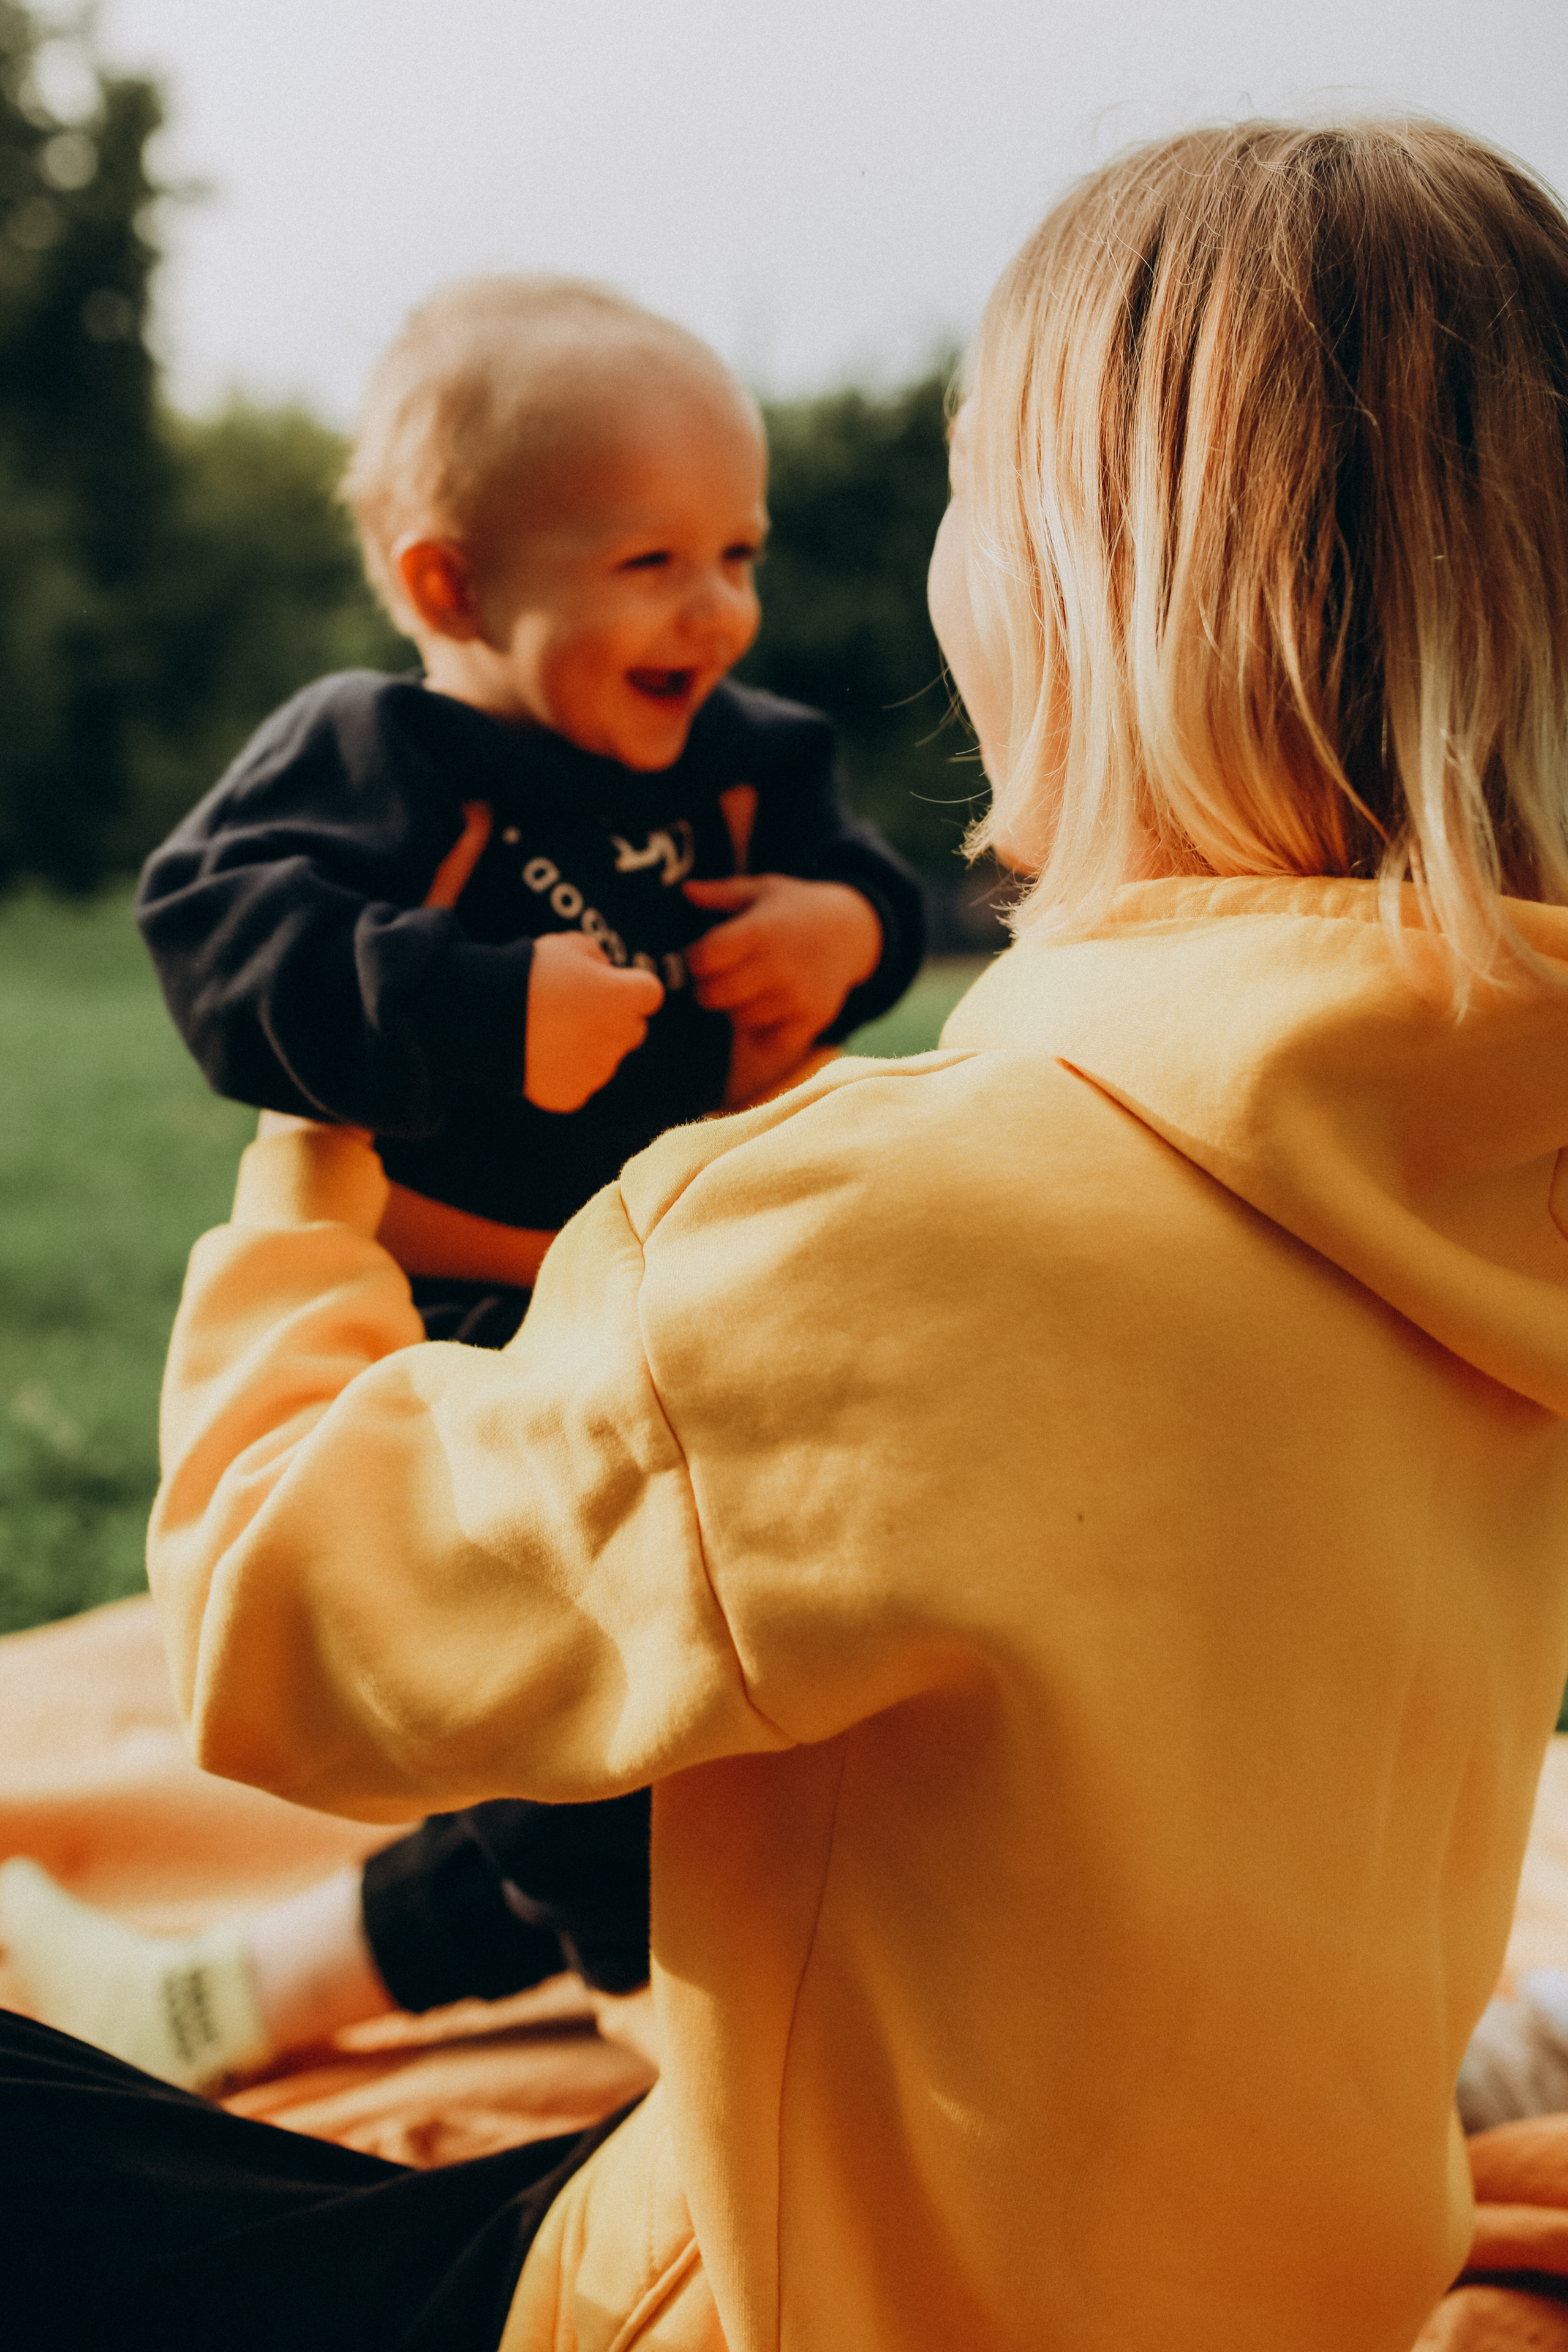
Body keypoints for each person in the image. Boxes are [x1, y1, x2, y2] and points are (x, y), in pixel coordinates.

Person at [7, 115, 1568, 2352]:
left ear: (1058, 586)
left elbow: (269, 1618)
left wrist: (320, 1140)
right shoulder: (1506, 1182)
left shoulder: (882, 1235)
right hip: (1315, 2253)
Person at [0, 275, 924, 2094]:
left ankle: (276, 1985)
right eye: (651, 561)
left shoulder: (754, 758)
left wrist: (842, 932)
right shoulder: (385, 760)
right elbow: (216, 934)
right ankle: (695, 2034)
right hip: (463, 1320)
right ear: (448, 590)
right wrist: (482, 1003)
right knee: (546, 1705)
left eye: (738, 551)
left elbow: (876, 894)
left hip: (690, 1300)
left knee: (759, 1682)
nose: (719, 609)